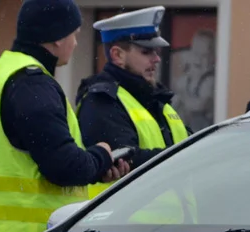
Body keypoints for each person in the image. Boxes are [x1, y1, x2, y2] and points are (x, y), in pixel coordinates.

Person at [0, 0, 130, 232]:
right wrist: (101, 157)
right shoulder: (32, 84)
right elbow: (63, 165)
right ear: (57, 38)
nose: (75, 43)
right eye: (74, 35)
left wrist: (96, 168)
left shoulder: (0, 74)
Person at [76, 6, 192, 198]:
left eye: (156, 52)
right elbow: (129, 160)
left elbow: (193, 144)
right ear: (118, 55)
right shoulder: (102, 102)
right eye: (147, 52)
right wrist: (188, 156)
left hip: (168, 225)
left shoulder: (156, 100)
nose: (156, 59)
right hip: (123, 225)